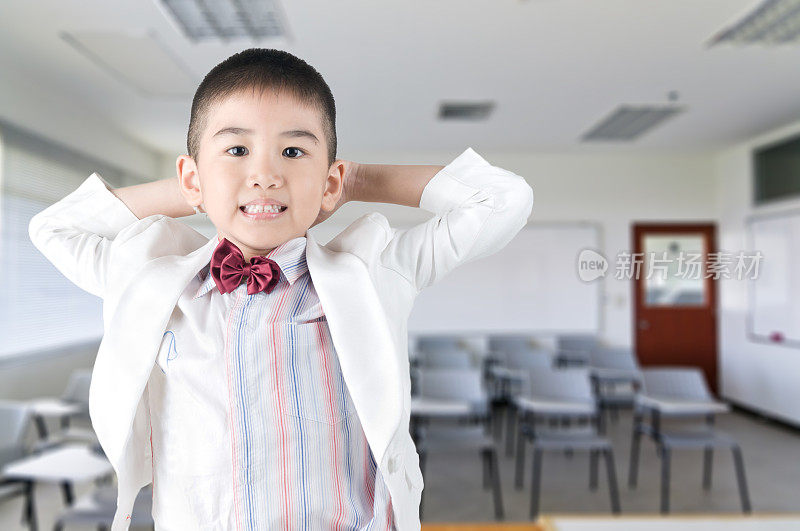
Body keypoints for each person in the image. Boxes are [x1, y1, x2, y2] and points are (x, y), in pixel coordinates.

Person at [29, 48, 534, 530]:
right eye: (236, 150)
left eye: (293, 151)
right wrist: (197, 190)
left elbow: (503, 200)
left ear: (330, 183)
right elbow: (54, 227)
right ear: (193, 177)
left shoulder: (376, 272)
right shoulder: (156, 283)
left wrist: (355, 179)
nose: (265, 174)